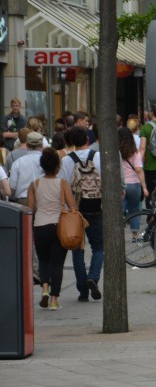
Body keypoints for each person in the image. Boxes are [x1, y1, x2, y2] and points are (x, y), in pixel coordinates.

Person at [27, 148, 78, 311]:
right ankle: (54, 300)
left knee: (43, 261)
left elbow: (30, 209)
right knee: (57, 264)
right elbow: (73, 207)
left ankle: (44, 290)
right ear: (57, 166)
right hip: (58, 226)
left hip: (40, 226)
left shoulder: (34, 184)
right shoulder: (62, 183)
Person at [65, 126, 104, 302]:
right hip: (96, 206)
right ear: (87, 140)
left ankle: (82, 291)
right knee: (98, 247)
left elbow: (64, 186)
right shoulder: (97, 156)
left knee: (77, 250)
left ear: (71, 142)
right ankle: (93, 277)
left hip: (76, 209)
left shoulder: (67, 160)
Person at [118, 126, 148, 242]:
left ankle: (118, 234)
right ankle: (135, 235)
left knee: (119, 210)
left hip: (121, 185)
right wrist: (144, 187)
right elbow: (139, 170)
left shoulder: (116, 152)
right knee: (135, 210)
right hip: (134, 185)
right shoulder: (135, 153)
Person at [139, 107, 156, 195]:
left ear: (152, 113)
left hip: (149, 165)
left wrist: (139, 163)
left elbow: (142, 147)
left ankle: (151, 208)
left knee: (151, 191)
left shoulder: (146, 127)